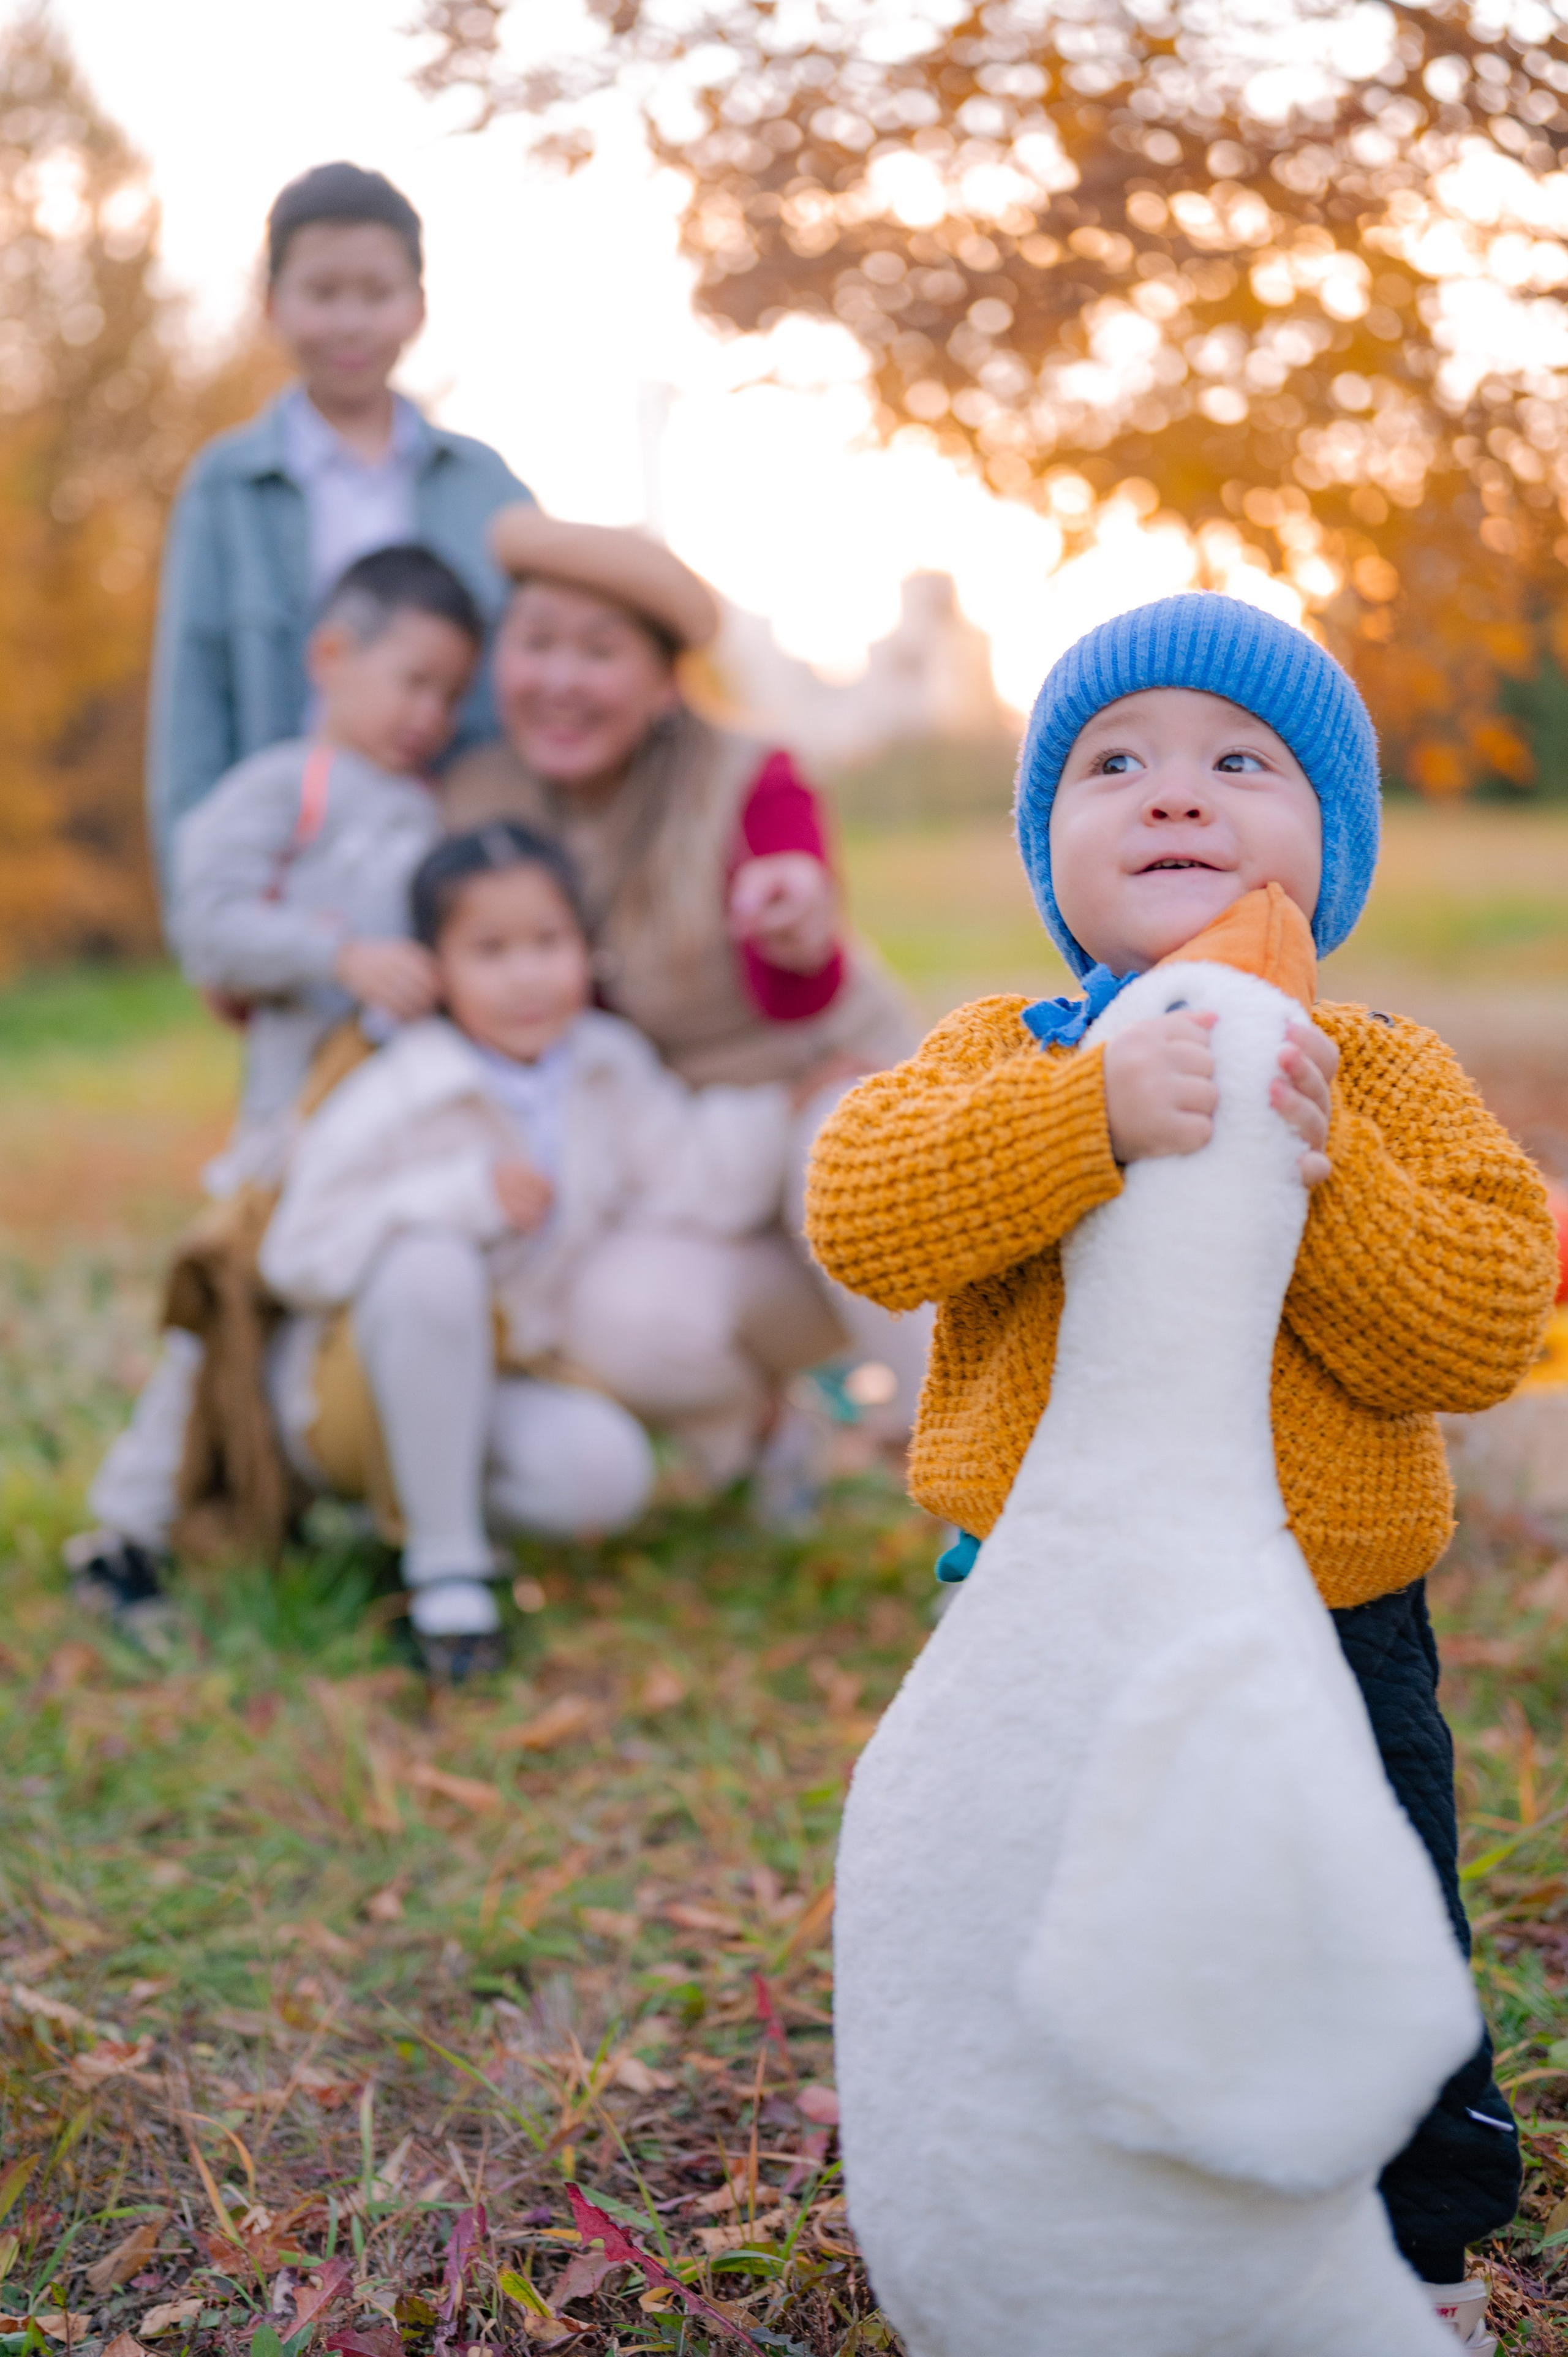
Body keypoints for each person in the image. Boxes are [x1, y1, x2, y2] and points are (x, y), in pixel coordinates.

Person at [804, 592, 1558, 2336]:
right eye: (1114, 764)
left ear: (1331, 846)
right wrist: (1086, 1116)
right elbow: (864, 1214)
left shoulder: (1382, 1074)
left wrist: (1323, 1156)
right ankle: (1059, 2161)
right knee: (1044, 1892)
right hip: (1052, 1619)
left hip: (1331, 1614)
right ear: (1044, 843)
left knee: (1360, 1902)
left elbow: (1469, 1326)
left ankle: (1411, 2237)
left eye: (1244, 762)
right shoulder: (1011, 1051)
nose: (1175, 794)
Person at [441, 507, 932, 1490]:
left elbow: (802, 980)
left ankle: (989, 1498)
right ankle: (764, 1428)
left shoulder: (748, 774)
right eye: (536, 645)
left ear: (665, 685)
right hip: (682, 1154)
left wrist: (795, 918)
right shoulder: (477, 797)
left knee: (843, 1160)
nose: (561, 681)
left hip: (822, 1092)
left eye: (599, 652)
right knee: (613, 1315)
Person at [254, 821, 796, 1678]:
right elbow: (295, 1254)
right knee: (433, 1261)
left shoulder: (603, 1065)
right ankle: (443, 1572)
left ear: (584, 947)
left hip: (506, 1376)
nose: (527, 976)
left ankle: (421, 1509)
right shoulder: (403, 1085)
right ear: (437, 965)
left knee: (605, 1477)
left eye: (549, 942)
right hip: (353, 1391)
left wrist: (792, 1108)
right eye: (491, 950)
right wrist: (458, 1198)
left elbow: (690, 1170)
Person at [69, 543, 480, 1619]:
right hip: (285, 1136)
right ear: (333, 654)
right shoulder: (281, 789)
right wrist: (331, 956)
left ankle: (295, 1499)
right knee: (223, 1320)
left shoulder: (430, 809)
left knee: (325, 1327)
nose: (428, 713)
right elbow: (205, 923)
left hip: (386, 1135)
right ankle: (127, 1530)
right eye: (413, 680)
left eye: (450, 694)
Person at [148, 160, 529, 882]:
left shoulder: (486, 485)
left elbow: (526, 683)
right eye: (322, 293)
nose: (350, 321)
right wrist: (201, 897)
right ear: (272, 305)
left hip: (457, 859)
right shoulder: (226, 488)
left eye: (377, 293)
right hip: (291, 865)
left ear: (417, 305)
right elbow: (192, 705)